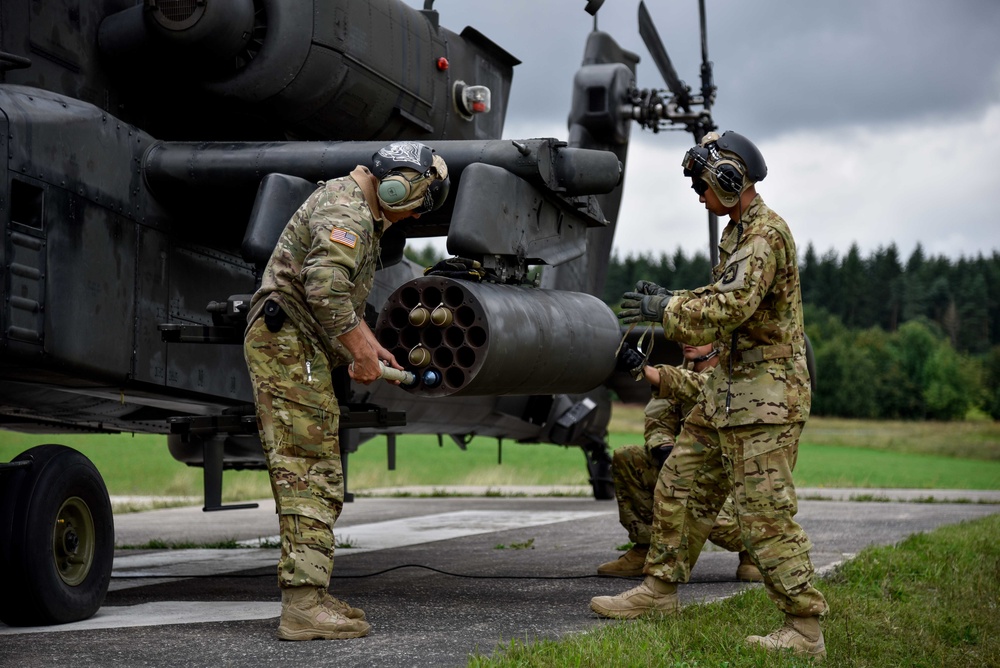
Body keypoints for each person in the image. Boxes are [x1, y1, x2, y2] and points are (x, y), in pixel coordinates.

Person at [594, 131, 827, 661]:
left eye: (703, 185)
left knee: (763, 514)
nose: (699, 196)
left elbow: (731, 306)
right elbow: (719, 295)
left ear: (729, 180)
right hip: (727, 394)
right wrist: (672, 300)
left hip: (765, 399)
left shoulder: (765, 236)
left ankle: (804, 624)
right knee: (678, 480)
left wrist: (666, 311)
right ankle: (659, 591)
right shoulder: (738, 233)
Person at [243, 141, 450, 641]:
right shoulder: (347, 210)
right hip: (289, 343)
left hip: (300, 344)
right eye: (416, 204)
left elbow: (334, 297)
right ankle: (302, 607)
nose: (409, 216)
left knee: (315, 465)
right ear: (400, 185)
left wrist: (366, 343)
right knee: (308, 469)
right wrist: (358, 351)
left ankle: (312, 592)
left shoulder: (350, 203)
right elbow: (324, 286)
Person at [599, 342, 762, 584]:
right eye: (685, 335)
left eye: (697, 336)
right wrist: (664, 450)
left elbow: (703, 387)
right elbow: (658, 421)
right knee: (629, 458)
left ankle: (754, 548)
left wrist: (651, 373)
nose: (688, 341)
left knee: (714, 521)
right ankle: (646, 547)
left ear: (718, 340)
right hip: (689, 466)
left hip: (729, 477)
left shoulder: (734, 374)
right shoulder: (679, 375)